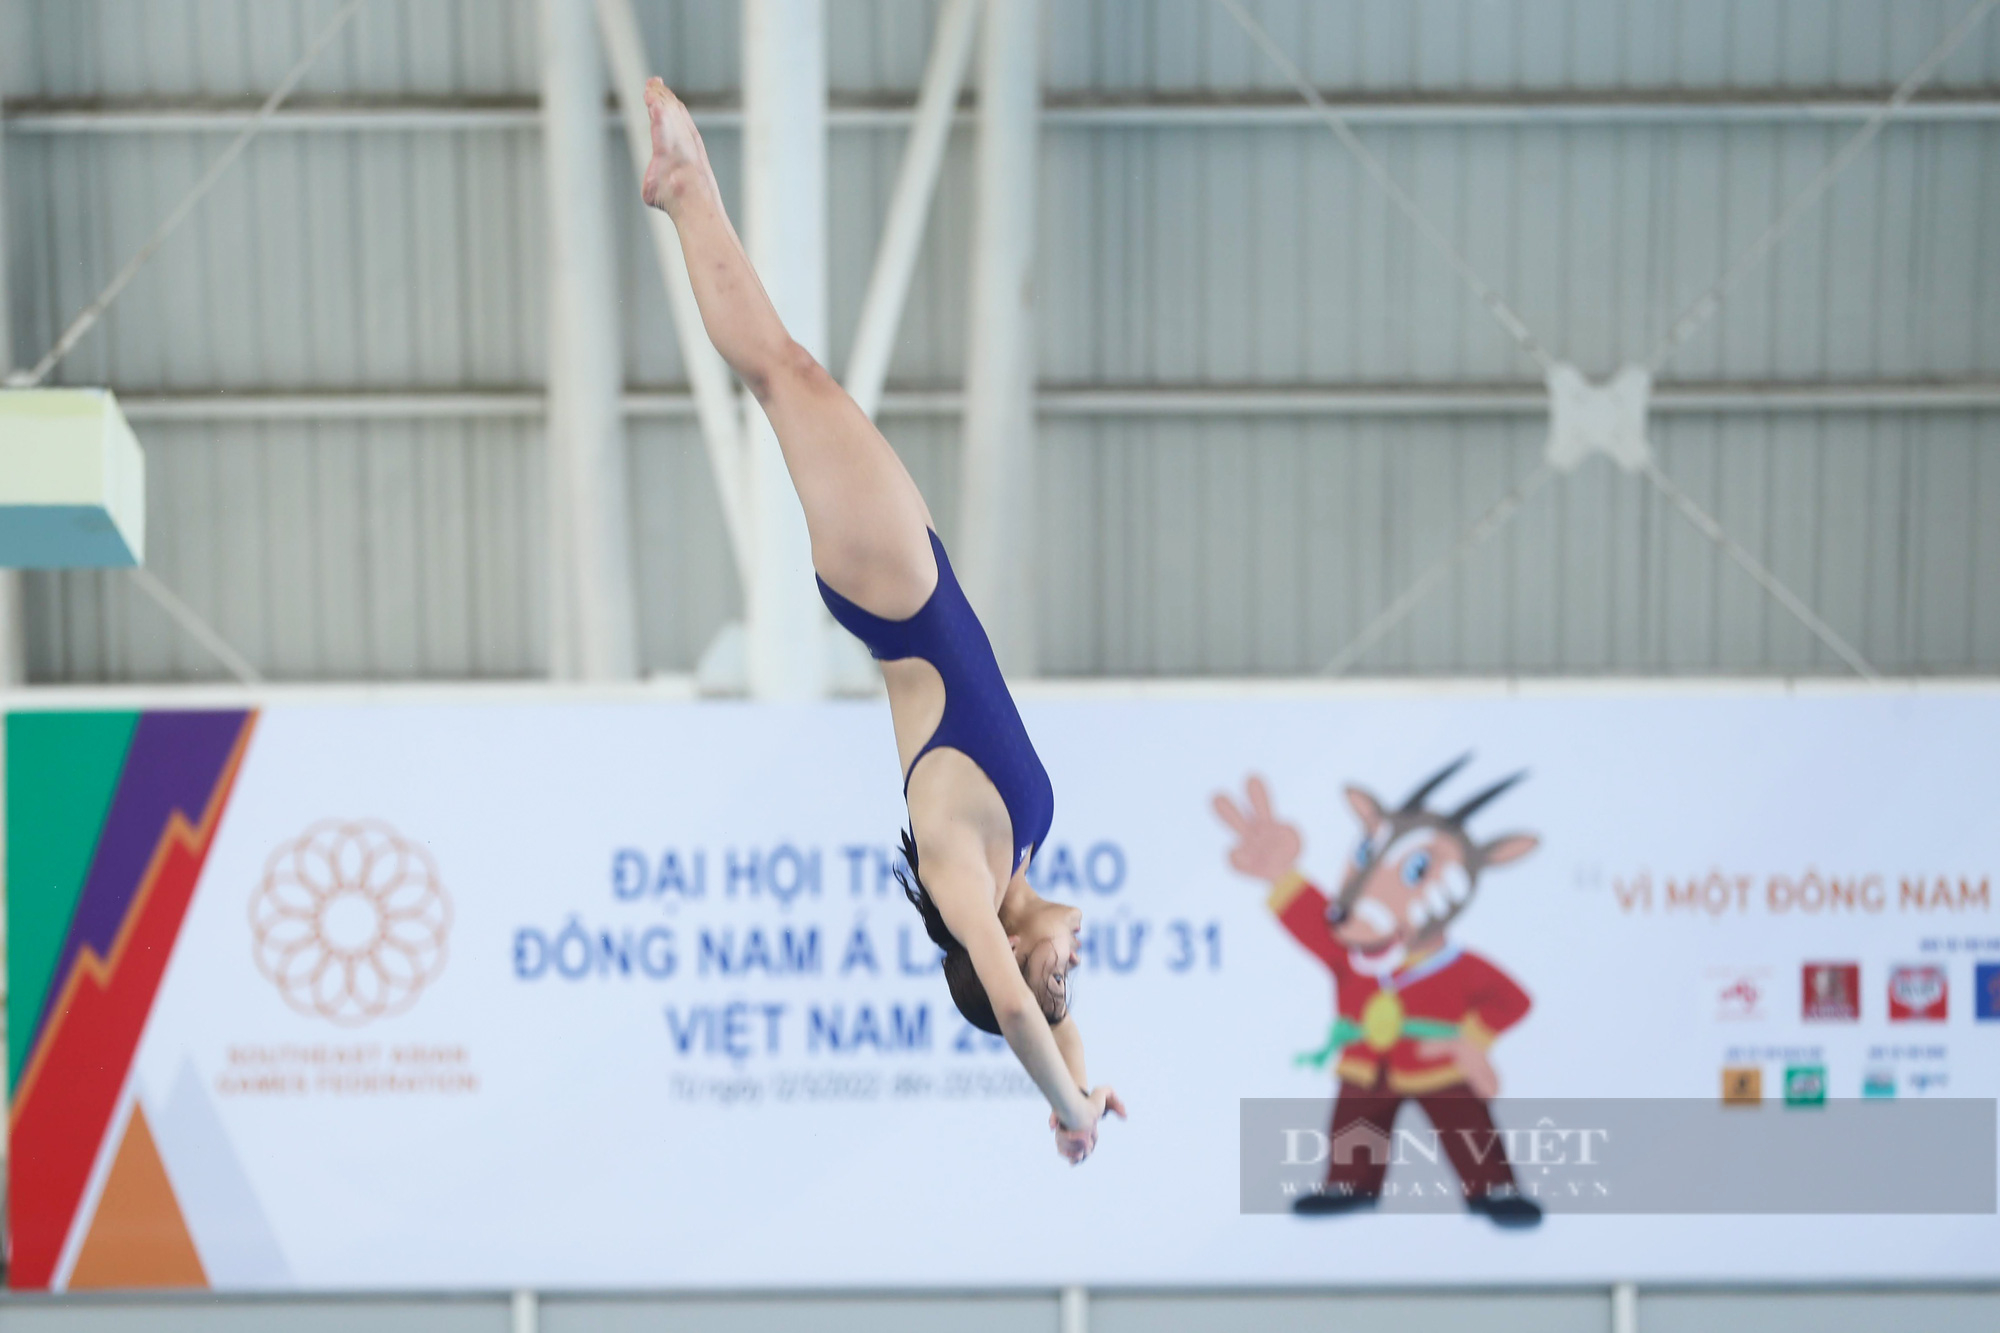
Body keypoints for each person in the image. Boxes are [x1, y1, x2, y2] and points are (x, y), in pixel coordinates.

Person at [639, 78, 1123, 1164]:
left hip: (893, 594)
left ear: (997, 949)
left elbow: (1012, 1010)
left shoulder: (964, 872)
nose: (1070, 968)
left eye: (1055, 977)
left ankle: (683, 192)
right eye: (1067, 984)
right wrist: (1079, 1080)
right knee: (792, 376)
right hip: (918, 578)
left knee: (785, 374)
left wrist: (1068, 1108)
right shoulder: (1019, 857)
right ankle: (685, 191)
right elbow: (1043, 1011)